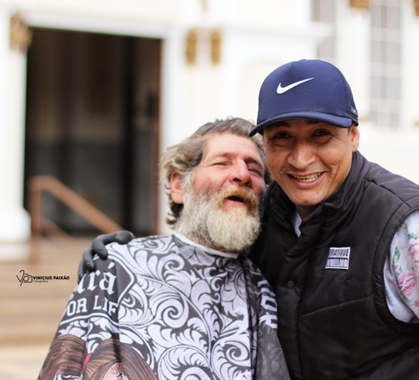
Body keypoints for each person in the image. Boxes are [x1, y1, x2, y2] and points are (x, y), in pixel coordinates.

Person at [81, 59, 419, 379]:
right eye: (283, 138)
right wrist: (130, 255)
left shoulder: (409, 227)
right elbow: (204, 245)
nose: (301, 159)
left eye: (321, 135)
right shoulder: (265, 214)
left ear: (353, 136)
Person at [39, 118, 290, 380]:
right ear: (179, 185)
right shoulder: (117, 268)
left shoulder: (263, 288)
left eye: (255, 169)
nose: (242, 175)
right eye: (222, 163)